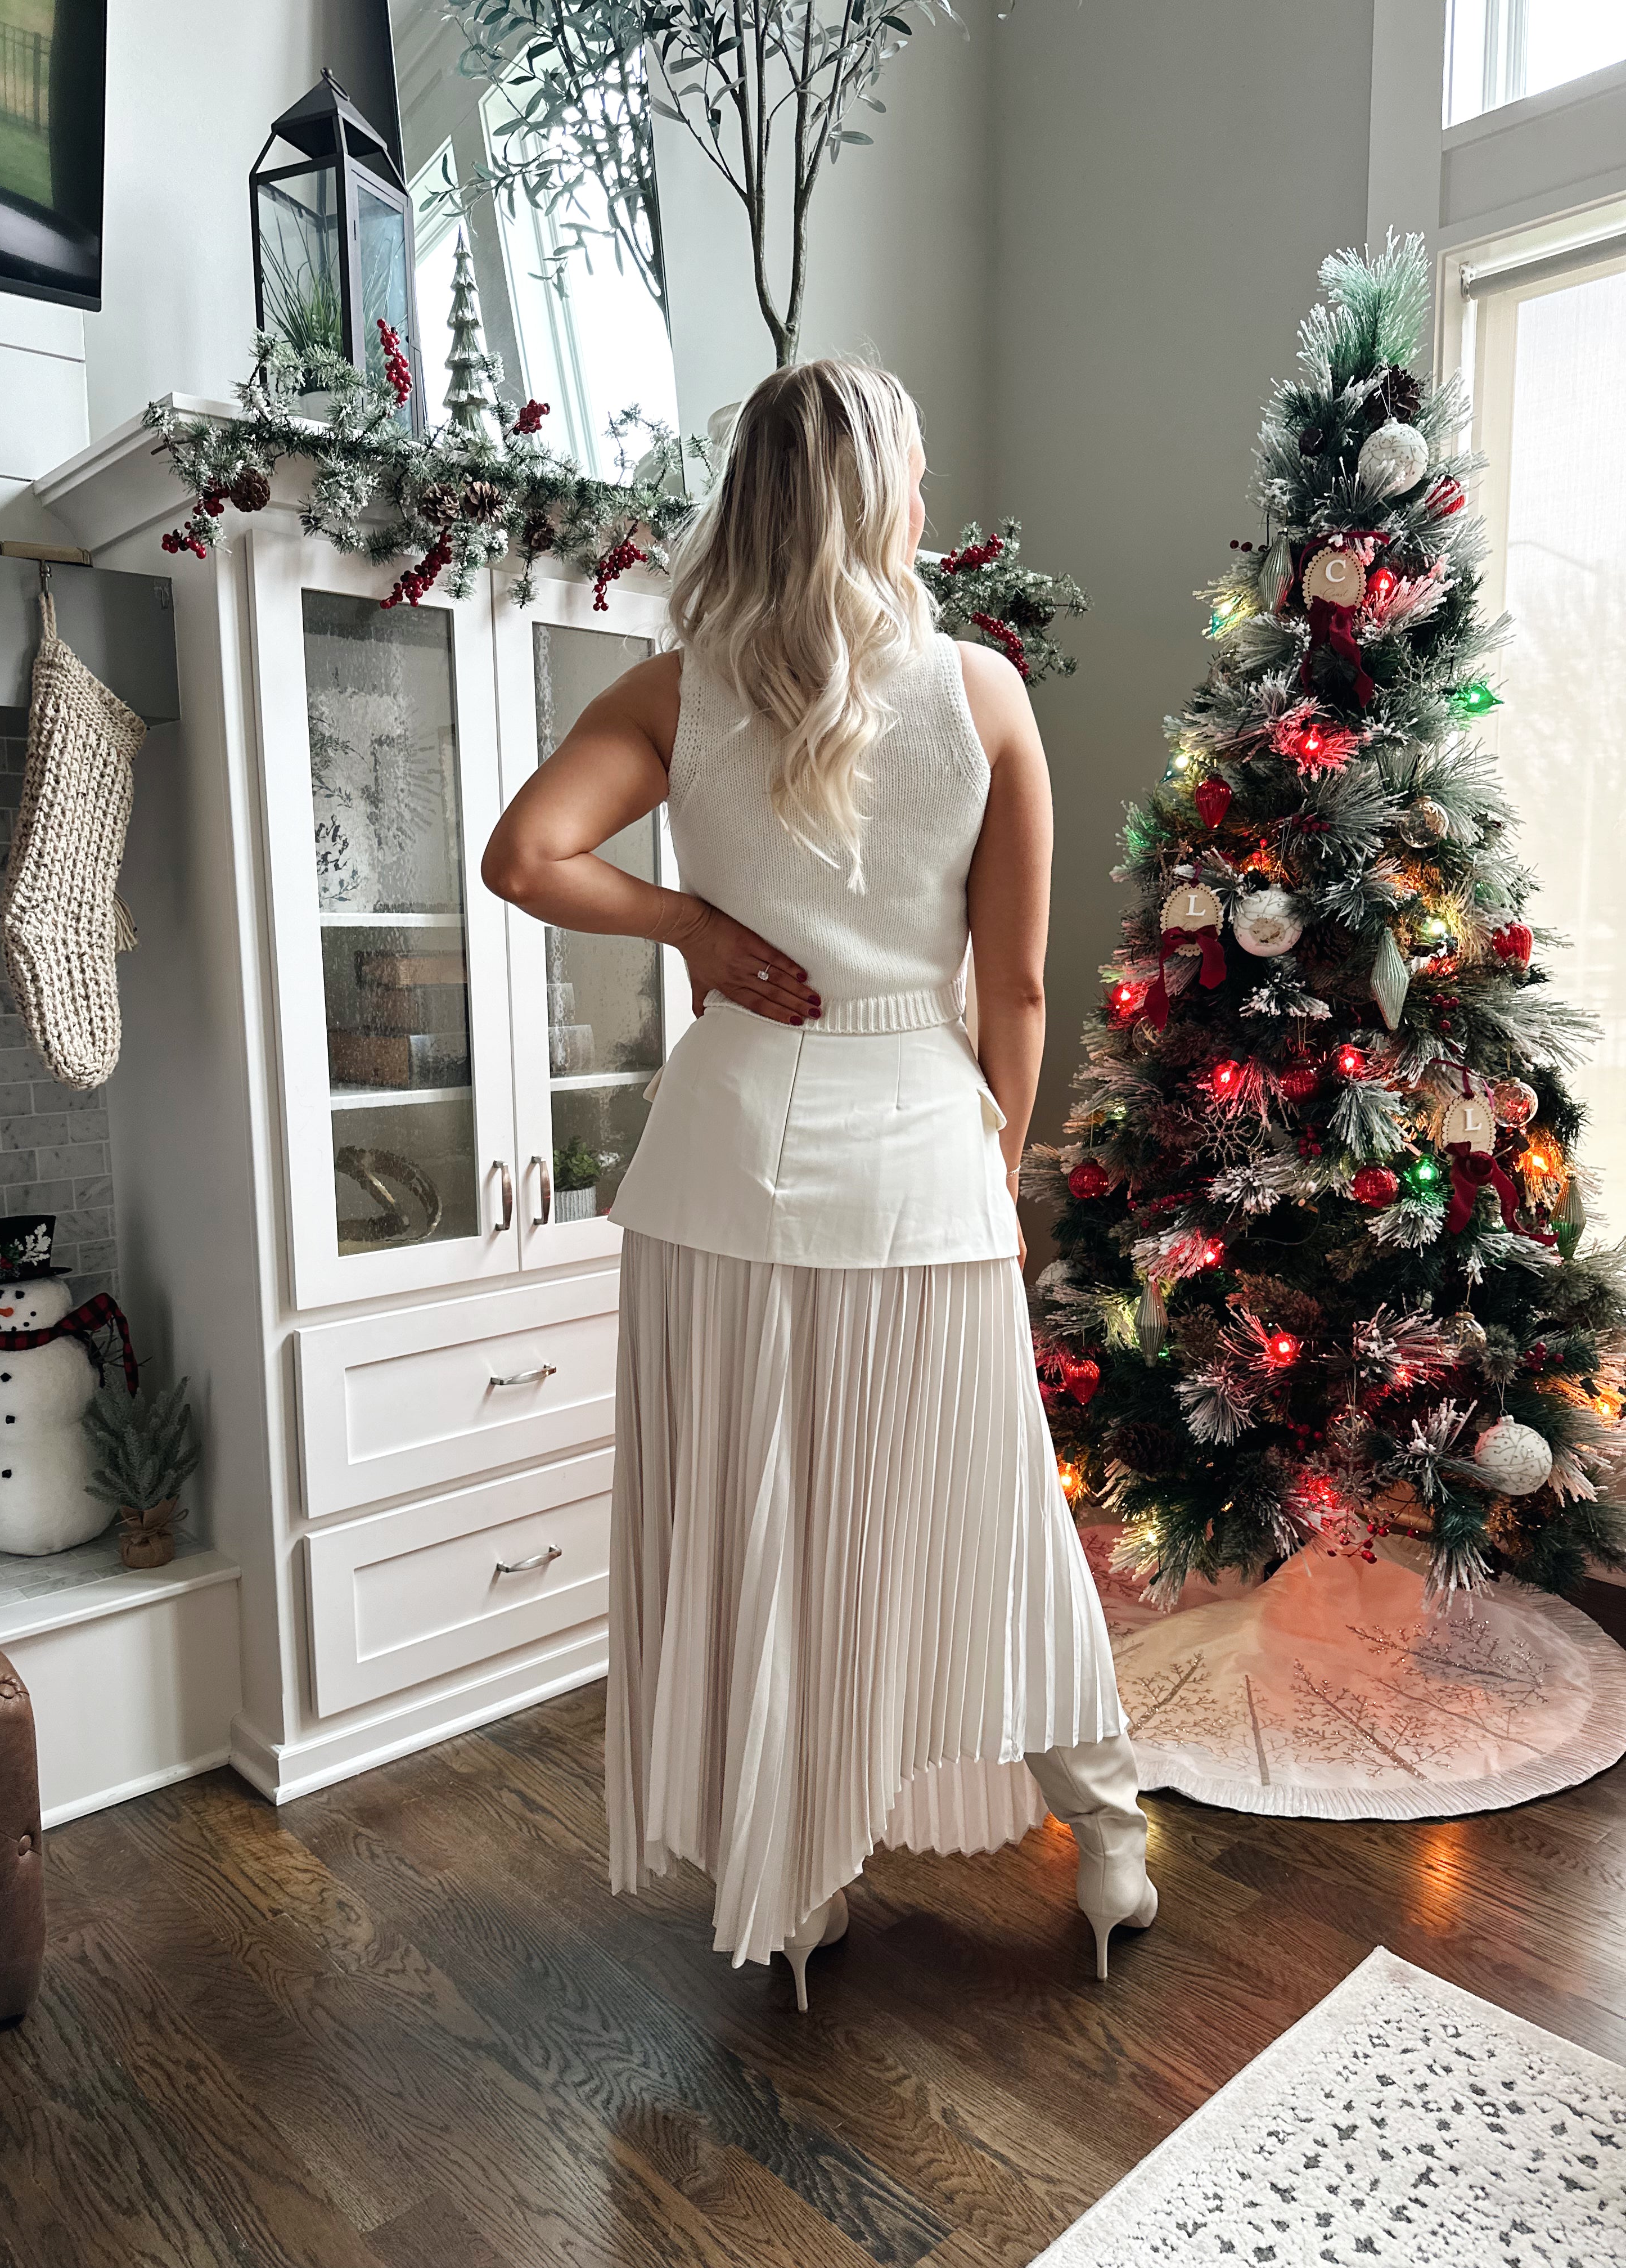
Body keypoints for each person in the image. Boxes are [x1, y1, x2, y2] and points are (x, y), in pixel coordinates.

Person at [483, 359, 1154, 2009]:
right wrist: (996, 1165)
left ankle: (797, 1883)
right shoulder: (983, 694)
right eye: (915, 475)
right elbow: (1015, 988)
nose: (927, 499)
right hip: (920, 1156)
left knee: (760, 1523)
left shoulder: (674, 692)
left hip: (720, 1166)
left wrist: (692, 929)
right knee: (989, 1510)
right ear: (884, 501)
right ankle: (1109, 1837)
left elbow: (524, 857)